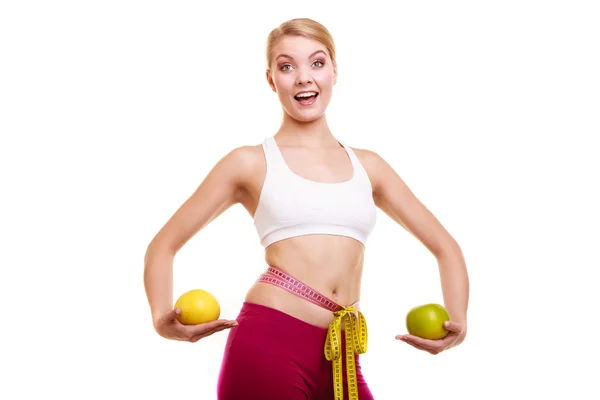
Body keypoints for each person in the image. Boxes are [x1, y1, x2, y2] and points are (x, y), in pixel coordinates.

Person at [143, 17, 469, 400]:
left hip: (343, 356)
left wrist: (457, 319)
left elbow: (446, 248)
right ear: (271, 80)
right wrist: (160, 317)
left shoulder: (370, 167)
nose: (303, 77)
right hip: (269, 344)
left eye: (317, 62)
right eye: (287, 66)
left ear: (334, 71)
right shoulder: (249, 163)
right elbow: (162, 246)